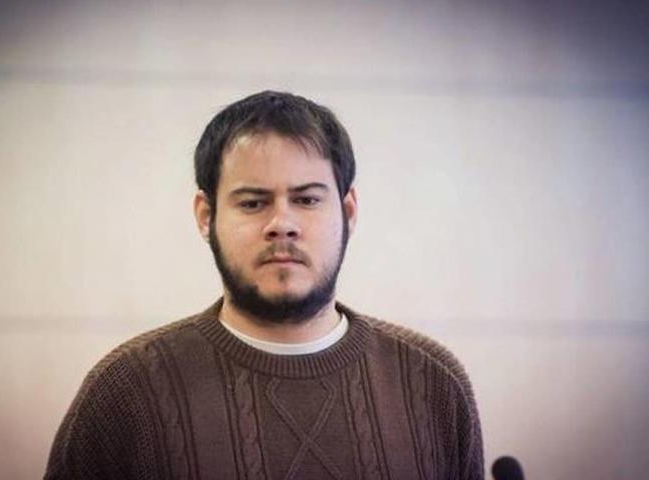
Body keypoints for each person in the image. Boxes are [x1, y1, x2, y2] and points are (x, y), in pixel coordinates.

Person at [44, 91, 484, 480]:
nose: (282, 224)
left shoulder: (432, 381)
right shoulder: (126, 390)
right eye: (253, 203)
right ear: (206, 216)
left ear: (348, 212)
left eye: (307, 199)